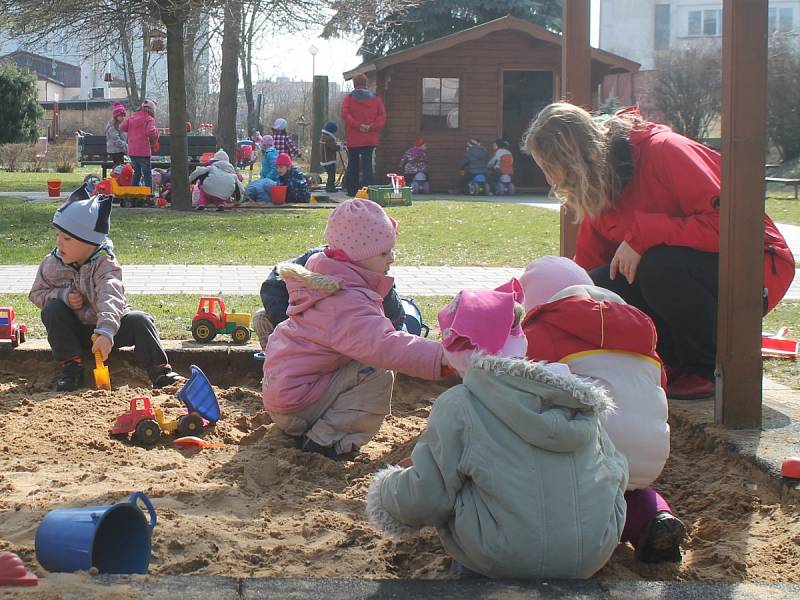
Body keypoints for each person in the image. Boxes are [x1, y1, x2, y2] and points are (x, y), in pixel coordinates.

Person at [524, 103, 795, 399]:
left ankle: (708, 369)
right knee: (602, 283)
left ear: (577, 158)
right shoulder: (599, 183)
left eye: (551, 169)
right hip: (686, 272)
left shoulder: (666, 150)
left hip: (756, 266)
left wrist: (645, 236)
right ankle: (670, 361)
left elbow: (735, 225)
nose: (552, 181)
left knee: (659, 266)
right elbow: (589, 275)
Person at [365, 283, 628, 579]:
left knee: (455, 484)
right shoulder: (573, 396)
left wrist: (386, 488)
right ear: (521, 340)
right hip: (591, 553)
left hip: (503, 557)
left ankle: (470, 579)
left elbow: (426, 496)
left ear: (456, 354)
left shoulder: (460, 404)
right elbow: (616, 467)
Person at [519, 255, 685, 563]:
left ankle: (567, 528)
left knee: (555, 477)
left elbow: (517, 389)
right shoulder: (640, 329)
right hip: (648, 454)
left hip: (585, 455)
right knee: (626, 492)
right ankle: (655, 517)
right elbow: (657, 385)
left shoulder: (543, 330)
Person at [262, 198, 447, 460]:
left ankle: (316, 426)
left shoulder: (325, 277)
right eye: (384, 253)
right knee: (377, 369)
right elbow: (385, 345)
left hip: (286, 394)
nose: (391, 259)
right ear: (357, 257)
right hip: (299, 406)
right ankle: (328, 442)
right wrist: (442, 357)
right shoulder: (346, 299)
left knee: (360, 359)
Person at [28, 193, 184, 392]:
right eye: (57, 235)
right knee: (52, 310)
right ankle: (71, 366)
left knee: (141, 320)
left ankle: (160, 372)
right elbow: (36, 293)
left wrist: (106, 331)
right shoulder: (51, 263)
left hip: (110, 330)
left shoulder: (104, 264)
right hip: (75, 332)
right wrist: (62, 296)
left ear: (90, 243)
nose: (59, 243)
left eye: (67, 238)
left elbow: (111, 296)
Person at [253, 245, 405, 350]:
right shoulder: (316, 259)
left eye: (390, 252)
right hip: (303, 331)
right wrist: (291, 326)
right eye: (384, 253)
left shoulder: (377, 278)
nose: (391, 259)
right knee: (261, 317)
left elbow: (395, 320)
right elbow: (273, 285)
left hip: (350, 342)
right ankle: (276, 369)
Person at [341, 73, 387, 196]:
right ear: (365, 84)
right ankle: (368, 190)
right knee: (367, 165)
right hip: (370, 138)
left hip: (354, 137)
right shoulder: (376, 99)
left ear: (354, 84)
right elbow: (382, 116)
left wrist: (357, 125)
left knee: (353, 165)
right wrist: (371, 127)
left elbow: (345, 114)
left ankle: (352, 191)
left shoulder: (349, 98)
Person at [119, 99, 158, 191]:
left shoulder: (132, 117)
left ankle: (134, 192)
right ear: (152, 110)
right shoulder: (149, 118)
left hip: (132, 151)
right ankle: (149, 193)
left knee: (137, 172)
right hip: (143, 151)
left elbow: (122, 127)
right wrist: (156, 132)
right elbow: (150, 131)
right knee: (147, 173)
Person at [320, 121, 341, 193]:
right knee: (331, 175)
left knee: (330, 174)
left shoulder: (324, 136)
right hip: (329, 160)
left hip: (325, 159)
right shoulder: (329, 138)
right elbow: (333, 147)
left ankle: (330, 186)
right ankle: (330, 187)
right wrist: (340, 147)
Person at [106, 102, 128, 167]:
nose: (123, 117)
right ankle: (118, 175)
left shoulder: (122, 125)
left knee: (122, 166)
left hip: (121, 150)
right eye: (121, 116)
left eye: (124, 115)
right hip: (115, 151)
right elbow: (116, 140)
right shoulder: (112, 126)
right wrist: (125, 145)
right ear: (116, 116)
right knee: (119, 167)